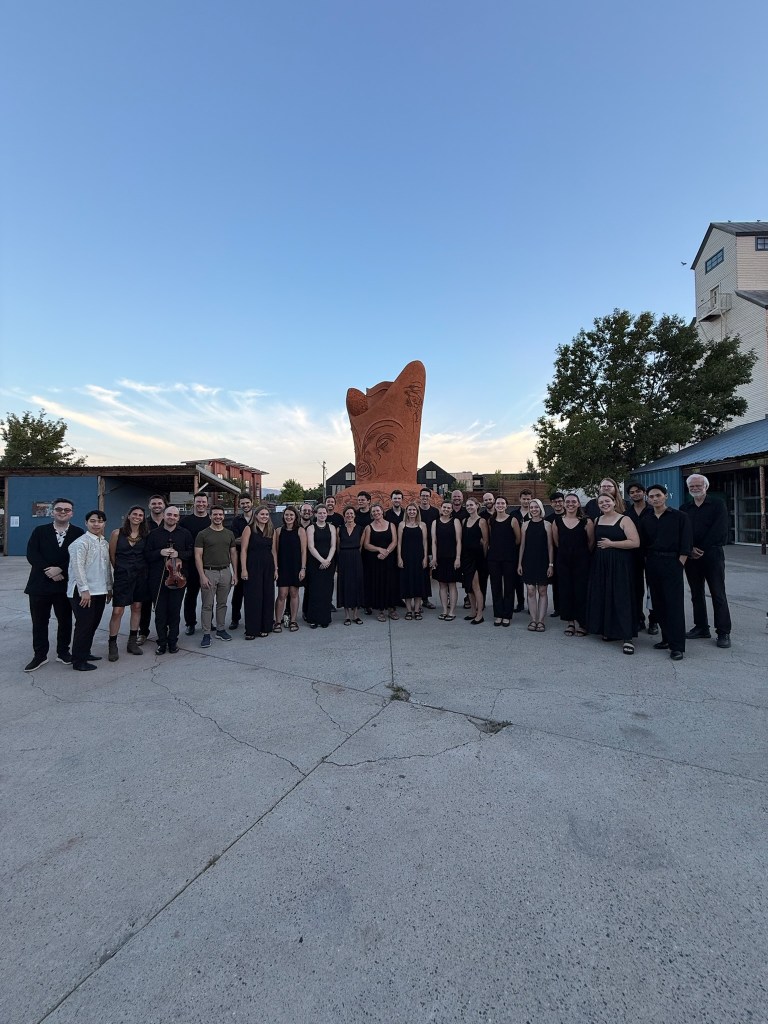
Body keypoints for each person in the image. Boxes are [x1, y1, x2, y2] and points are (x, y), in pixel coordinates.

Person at [23, 497, 84, 672]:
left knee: (65, 621)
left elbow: (79, 557)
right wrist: (48, 570)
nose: (62, 512)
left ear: (72, 513)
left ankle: (63, 652)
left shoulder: (78, 533)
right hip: (39, 585)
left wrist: (60, 569)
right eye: (59, 509)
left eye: (67, 510)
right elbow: (32, 554)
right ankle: (40, 655)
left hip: (64, 585)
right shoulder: (40, 531)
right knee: (39, 622)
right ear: (53, 512)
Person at [639, 485, 692, 661]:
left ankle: (677, 646)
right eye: (651, 496)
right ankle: (666, 639)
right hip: (653, 563)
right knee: (658, 604)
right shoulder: (646, 519)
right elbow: (643, 544)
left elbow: (686, 543)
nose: (655, 499)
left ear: (665, 496)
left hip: (672, 563)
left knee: (674, 605)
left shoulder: (680, 517)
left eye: (658, 495)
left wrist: (680, 564)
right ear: (648, 499)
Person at [586, 494, 640, 655]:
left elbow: (635, 542)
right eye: (601, 502)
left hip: (620, 565)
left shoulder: (625, 519)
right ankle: (609, 631)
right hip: (601, 564)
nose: (604, 504)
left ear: (614, 502)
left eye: (607, 501)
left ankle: (627, 638)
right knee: (604, 597)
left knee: (621, 598)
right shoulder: (597, 520)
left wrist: (611, 544)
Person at [682, 474, 732, 649]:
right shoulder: (685, 508)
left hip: (712, 555)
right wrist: (689, 549)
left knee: (718, 594)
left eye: (698, 485)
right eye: (692, 486)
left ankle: (723, 632)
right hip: (691, 556)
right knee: (696, 593)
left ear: (706, 487)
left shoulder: (718, 504)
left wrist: (700, 548)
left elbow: (720, 529)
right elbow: (683, 531)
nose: (695, 488)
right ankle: (701, 627)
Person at [66, 510, 114, 672]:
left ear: (104, 524)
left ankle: (85, 653)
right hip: (83, 592)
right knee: (84, 625)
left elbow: (106, 568)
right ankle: (78, 660)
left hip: (100, 591)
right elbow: (77, 568)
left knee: (93, 624)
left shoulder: (104, 543)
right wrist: (84, 590)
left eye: (100, 521)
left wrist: (109, 588)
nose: (96, 524)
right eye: (93, 521)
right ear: (86, 523)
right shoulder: (80, 543)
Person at [144, 506, 193, 654]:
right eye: (169, 514)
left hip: (178, 579)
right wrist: (160, 552)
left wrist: (179, 554)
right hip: (158, 580)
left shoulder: (185, 534)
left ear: (178, 518)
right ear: (164, 516)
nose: (172, 517)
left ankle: (173, 641)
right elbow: (146, 555)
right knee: (160, 613)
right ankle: (162, 642)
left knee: (174, 612)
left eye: (175, 515)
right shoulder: (153, 534)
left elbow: (191, 553)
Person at [107, 506, 150, 661]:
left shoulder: (146, 535)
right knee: (117, 611)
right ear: (129, 516)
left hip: (141, 576)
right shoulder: (117, 533)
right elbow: (112, 556)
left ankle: (132, 642)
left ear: (143, 518)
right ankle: (112, 644)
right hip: (122, 577)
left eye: (140, 515)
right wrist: (121, 569)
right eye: (134, 514)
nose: (137, 517)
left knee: (137, 607)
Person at [194, 505, 238, 648]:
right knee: (207, 605)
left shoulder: (229, 534)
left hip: (225, 571)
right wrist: (202, 575)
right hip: (209, 572)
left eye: (220, 514)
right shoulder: (203, 534)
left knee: (222, 603)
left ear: (223, 516)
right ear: (210, 516)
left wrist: (235, 573)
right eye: (215, 514)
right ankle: (206, 633)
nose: (218, 517)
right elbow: (198, 555)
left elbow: (233, 554)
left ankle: (220, 629)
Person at [552, 494, 593, 637]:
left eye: (573, 501)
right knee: (566, 591)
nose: (570, 504)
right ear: (564, 504)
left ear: (578, 504)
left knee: (581, 592)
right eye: (568, 501)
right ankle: (570, 622)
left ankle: (582, 623)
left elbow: (591, 543)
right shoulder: (557, 521)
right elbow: (556, 542)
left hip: (582, 561)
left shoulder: (587, 521)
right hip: (563, 561)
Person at [625, 482, 657, 635]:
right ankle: (638, 618)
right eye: (632, 492)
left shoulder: (653, 510)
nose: (635, 494)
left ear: (644, 492)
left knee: (653, 589)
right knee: (636, 589)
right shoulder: (627, 514)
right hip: (633, 555)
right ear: (629, 496)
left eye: (638, 491)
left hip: (651, 554)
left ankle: (654, 620)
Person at [240, 506, 277, 639]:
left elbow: (273, 551)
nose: (265, 516)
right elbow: (243, 550)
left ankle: (265, 627)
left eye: (267, 514)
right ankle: (251, 630)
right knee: (253, 597)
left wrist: (276, 569)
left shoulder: (271, 530)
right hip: (253, 566)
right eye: (262, 514)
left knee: (267, 596)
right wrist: (244, 569)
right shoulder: (248, 529)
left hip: (268, 566)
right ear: (256, 515)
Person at [518, 498, 554, 631]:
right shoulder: (525, 525)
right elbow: (522, 546)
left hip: (543, 561)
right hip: (528, 561)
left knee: (542, 591)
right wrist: (519, 563)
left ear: (540, 508)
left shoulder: (547, 525)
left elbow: (550, 546)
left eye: (536, 507)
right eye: (531, 507)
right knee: (531, 590)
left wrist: (551, 564)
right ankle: (533, 620)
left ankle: (541, 621)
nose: (534, 509)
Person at [180, 493, 211, 636]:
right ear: (194, 503)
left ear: (207, 504)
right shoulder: (185, 521)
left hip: (209, 563)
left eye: (203, 502)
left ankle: (208, 622)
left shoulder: (212, 520)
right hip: (191, 564)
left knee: (208, 596)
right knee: (191, 595)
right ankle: (190, 623)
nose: (201, 504)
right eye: (198, 502)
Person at [487, 495, 521, 627]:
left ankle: (507, 615)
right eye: (498, 503)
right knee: (495, 587)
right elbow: (491, 538)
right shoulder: (491, 520)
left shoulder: (513, 520)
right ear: (495, 505)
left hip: (509, 558)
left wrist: (508, 548)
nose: (500, 505)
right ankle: (498, 614)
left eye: (502, 503)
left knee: (509, 587)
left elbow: (518, 539)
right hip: (494, 558)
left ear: (506, 505)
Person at [137, 494, 167, 644]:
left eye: (159, 503)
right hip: (146, 568)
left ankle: (164, 632)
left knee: (163, 604)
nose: (157, 506)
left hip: (166, 569)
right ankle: (143, 632)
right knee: (145, 603)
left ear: (164, 505)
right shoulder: (143, 524)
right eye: (154, 503)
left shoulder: (169, 521)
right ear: (149, 506)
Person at [362, 503, 398, 621]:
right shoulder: (368, 527)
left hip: (389, 559)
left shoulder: (391, 525)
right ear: (371, 514)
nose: (376, 513)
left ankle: (392, 609)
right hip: (374, 560)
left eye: (378, 510)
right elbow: (366, 545)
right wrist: (379, 549)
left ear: (382, 511)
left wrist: (386, 552)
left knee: (391, 583)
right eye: (373, 511)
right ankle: (381, 610)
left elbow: (394, 541)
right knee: (378, 584)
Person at [274, 506, 307, 633]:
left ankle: (293, 620)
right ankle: (278, 621)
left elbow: (304, 551)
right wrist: (276, 568)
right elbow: (275, 551)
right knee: (282, 594)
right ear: (283, 516)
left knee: (294, 593)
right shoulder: (278, 531)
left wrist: (303, 568)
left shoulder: (300, 531)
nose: (289, 517)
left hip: (295, 566)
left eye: (291, 515)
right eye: (287, 515)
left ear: (295, 517)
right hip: (283, 566)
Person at [305, 505, 337, 628]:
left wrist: (328, 560)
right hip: (315, 563)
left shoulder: (332, 527)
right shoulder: (311, 528)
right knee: (315, 591)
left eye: (324, 513)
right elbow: (311, 546)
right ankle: (313, 619)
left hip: (329, 563)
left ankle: (325, 619)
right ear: (315, 514)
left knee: (326, 591)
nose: (322, 515)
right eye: (320, 513)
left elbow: (333, 546)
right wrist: (321, 560)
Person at [431, 500, 462, 620]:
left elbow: (458, 541)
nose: (446, 509)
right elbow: (434, 541)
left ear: (452, 510)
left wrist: (458, 558)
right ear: (441, 508)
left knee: (452, 584)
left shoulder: (455, 521)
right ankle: (444, 610)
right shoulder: (435, 522)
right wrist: (434, 558)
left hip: (452, 557)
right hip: (440, 558)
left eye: (449, 508)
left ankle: (452, 611)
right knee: (442, 584)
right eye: (444, 507)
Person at [397, 503, 428, 620]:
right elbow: (399, 543)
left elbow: (425, 542)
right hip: (406, 558)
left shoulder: (422, 525)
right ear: (406, 512)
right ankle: (409, 611)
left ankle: (417, 610)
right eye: (409, 510)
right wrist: (399, 557)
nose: (412, 512)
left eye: (414, 510)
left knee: (418, 584)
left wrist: (425, 558)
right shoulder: (402, 524)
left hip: (419, 557)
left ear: (417, 511)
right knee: (407, 583)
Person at [460, 497, 488, 624]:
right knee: (469, 586)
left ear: (477, 505)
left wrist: (484, 558)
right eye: (467, 505)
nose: (469, 507)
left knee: (476, 586)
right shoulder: (464, 521)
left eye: (471, 505)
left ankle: (480, 614)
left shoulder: (482, 521)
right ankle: (472, 611)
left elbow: (485, 541)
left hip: (477, 558)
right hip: (466, 557)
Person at [228, 495, 254, 629]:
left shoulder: (258, 517)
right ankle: (235, 619)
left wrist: (243, 540)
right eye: (242, 503)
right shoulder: (236, 521)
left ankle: (254, 617)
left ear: (252, 503)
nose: (245, 505)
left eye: (247, 502)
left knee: (255, 590)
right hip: (239, 559)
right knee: (238, 591)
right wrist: (252, 540)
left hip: (256, 559)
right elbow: (234, 540)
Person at [337, 506, 365, 625]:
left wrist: (356, 558)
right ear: (344, 516)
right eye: (347, 514)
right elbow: (338, 546)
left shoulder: (360, 529)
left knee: (356, 585)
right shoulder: (340, 529)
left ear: (354, 515)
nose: (349, 515)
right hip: (343, 558)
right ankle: (347, 616)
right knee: (345, 585)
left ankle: (356, 615)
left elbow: (361, 546)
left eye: (351, 513)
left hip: (356, 558)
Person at [510, 490, 532, 611]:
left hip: (530, 550)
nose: (526, 501)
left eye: (528, 499)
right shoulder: (513, 514)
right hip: (516, 549)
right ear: (520, 499)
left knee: (530, 580)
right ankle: (520, 603)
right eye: (524, 499)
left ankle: (531, 605)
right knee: (517, 578)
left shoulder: (534, 513)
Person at [545, 492, 565, 618]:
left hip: (569, 553)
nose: (557, 504)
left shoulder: (571, 515)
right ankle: (558, 608)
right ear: (551, 504)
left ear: (563, 502)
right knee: (556, 583)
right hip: (555, 554)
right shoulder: (548, 519)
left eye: (560, 501)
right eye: (555, 502)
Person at [418, 488, 439, 608]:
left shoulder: (435, 512)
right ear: (420, 497)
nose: (425, 498)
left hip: (431, 546)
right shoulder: (416, 510)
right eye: (423, 496)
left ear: (430, 497)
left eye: (427, 496)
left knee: (426, 575)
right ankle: (417, 600)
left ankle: (425, 599)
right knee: (418, 573)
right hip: (417, 546)